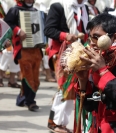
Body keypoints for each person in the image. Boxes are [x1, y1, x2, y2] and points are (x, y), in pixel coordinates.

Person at [44, 0, 89, 132]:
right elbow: (48, 29)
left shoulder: (84, 7)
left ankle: (54, 122)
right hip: (62, 53)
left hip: (78, 52)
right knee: (66, 88)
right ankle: (57, 124)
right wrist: (66, 35)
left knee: (66, 89)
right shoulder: (58, 6)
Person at [4, 0, 43, 111]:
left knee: (35, 78)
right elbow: (7, 23)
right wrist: (18, 31)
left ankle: (21, 99)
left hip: (36, 50)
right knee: (28, 76)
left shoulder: (36, 11)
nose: (30, 0)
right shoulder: (15, 10)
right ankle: (30, 102)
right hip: (23, 49)